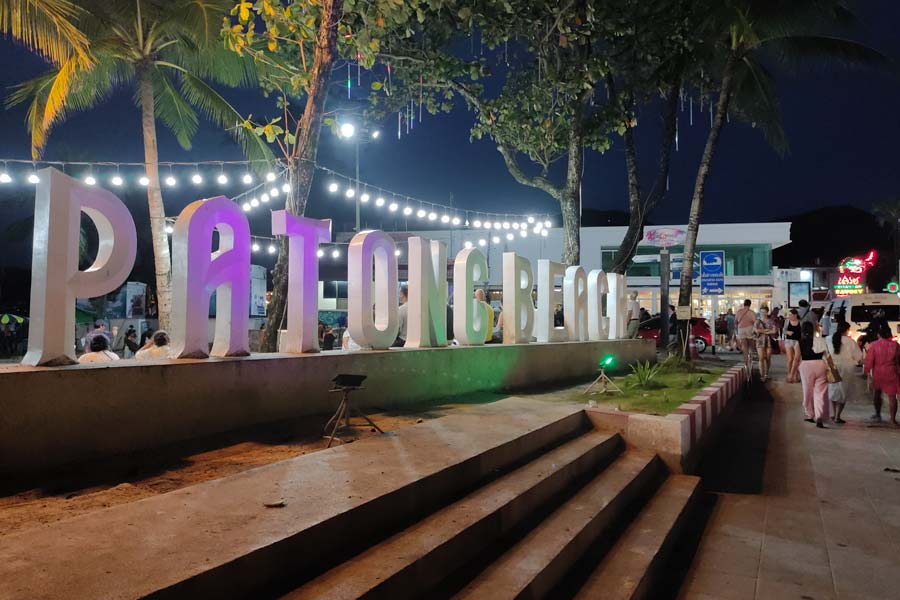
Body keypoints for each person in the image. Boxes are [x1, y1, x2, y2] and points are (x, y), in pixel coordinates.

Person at [862, 321, 900, 426]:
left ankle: (877, 414)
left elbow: (869, 360)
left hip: (878, 373)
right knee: (892, 397)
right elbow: (898, 360)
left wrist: (865, 372)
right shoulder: (895, 345)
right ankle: (893, 420)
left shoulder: (874, 345)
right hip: (891, 372)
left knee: (877, 394)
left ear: (879, 334)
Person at [826, 320, 862, 424]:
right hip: (847, 368)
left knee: (832, 390)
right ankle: (837, 416)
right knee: (843, 391)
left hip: (832, 367)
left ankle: (833, 414)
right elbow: (858, 357)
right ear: (847, 330)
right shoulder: (850, 342)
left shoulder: (828, 339)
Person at [798, 321, 829, 428]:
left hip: (806, 366)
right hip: (821, 365)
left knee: (807, 391)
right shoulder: (820, 340)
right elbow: (826, 354)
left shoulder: (800, 341)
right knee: (820, 393)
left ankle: (810, 414)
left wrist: (792, 372)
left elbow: (797, 358)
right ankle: (819, 415)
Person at [753, 306, 778, 382]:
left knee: (768, 358)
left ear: (767, 312)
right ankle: (762, 375)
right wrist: (766, 331)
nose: (763, 313)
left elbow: (774, 331)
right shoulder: (757, 321)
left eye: (764, 312)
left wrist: (762, 331)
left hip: (769, 341)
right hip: (760, 340)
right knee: (761, 358)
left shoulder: (771, 321)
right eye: (761, 312)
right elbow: (755, 330)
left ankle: (766, 373)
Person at [735, 299, 757, 378]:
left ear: (744, 304)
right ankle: (751, 355)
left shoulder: (739, 312)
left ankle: (745, 362)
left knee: (744, 346)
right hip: (749, 328)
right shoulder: (751, 312)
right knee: (751, 343)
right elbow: (755, 322)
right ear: (750, 304)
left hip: (741, 329)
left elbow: (736, 321)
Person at [783, 309, 803, 383]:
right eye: (789, 315)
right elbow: (783, 330)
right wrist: (787, 332)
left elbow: (803, 332)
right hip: (789, 341)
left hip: (798, 341)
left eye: (790, 315)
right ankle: (789, 374)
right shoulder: (787, 321)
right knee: (790, 359)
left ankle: (795, 375)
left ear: (795, 315)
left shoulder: (800, 322)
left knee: (796, 359)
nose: (789, 316)